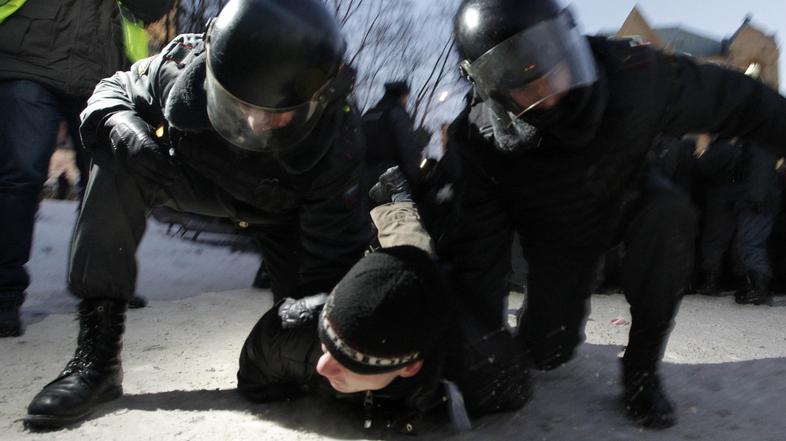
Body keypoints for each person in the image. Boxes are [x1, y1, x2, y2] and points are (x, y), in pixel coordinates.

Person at [430, 0, 786, 430]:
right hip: (557, 239)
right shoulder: (481, 143)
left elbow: (741, 101)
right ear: (497, 89)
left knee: (669, 215)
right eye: (526, 82)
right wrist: (483, 354)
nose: (549, 89)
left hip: (627, 201)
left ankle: (641, 370)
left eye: (551, 63)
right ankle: (539, 331)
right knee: (548, 353)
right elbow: (477, 258)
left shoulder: (634, 78)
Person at [23, 0, 372, 430]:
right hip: (189, 177)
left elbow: (332, 260)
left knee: (303, 335)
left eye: (274, 114)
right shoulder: (180, 67)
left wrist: (323, 341)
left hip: (281, 212)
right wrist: (118, 124)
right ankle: (96, 355)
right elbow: (112, 90)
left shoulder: (338, 138)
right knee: (114, 159)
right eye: (238, 105)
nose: (252, 126)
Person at [237, 168, 532, 434]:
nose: (322, 367)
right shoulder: (288, 332)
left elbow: (516, 388)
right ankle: (394, 203)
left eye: (348, 359)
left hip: (451, 299)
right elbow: (254, 377)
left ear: (409, 367)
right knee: (406, 254)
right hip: (358, 283)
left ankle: (398, 203)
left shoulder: (482, 363)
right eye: (328, 343)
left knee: (430, 261)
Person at [0, 0, 170, 337]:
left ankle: (101, 288)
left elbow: (153, 8)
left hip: (104, 71)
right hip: (28, 56)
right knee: (19, 176)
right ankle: (3, 294)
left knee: (109, 182)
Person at [696, 136, 782, 304]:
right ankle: (754, 286)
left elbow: (760, 168)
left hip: (756, 200)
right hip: (755, 198)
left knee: (750, 243)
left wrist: (756, 198)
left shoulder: (756, 141)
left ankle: (758, 288)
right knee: (747, 242)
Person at [361, 80, 428, 204]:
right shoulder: (397, 114)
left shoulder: (367, 115)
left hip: (364, 185)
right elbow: (408, 152)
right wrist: (417, 183)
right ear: (402, 96)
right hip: (392, 185)